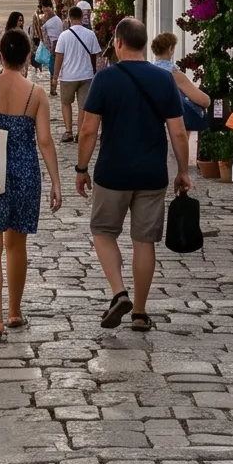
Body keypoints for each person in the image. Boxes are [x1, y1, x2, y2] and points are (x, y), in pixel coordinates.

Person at [77, 18, 190, 332]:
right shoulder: (164, 79)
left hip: (112, 171)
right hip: (151, 173)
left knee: (103, 232)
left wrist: (81, 168)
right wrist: (183, 171)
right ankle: (139, 312)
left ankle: (119, 292)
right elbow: (178, 133)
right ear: (143, 44)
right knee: (144, 241)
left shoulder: (105, 79)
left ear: (118, 43)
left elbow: (88, 130)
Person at [0, 28, 62, 340]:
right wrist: (56, 182)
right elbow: (45, 141)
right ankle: (15, 311)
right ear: (28, 57)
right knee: (16, 246)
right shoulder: (36, 94)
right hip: (24, 174)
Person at [50, 6, 104, 143]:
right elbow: (95, 55)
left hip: (68, 76)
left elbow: (59, 57)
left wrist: (55, 76)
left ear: (70, 18)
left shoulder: (64, 36)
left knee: (66, 103)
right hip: (86, 75)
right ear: (81, 18)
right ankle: (80, 133)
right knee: (83, 106)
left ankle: (68, 131)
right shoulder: (90, 34)